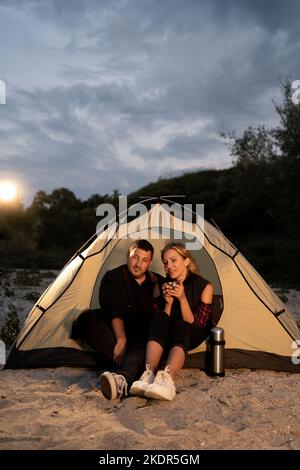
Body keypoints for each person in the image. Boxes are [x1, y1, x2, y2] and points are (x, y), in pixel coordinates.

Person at [72, 239, 163, 400]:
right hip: (114, 332)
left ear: (149, 263)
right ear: (128, 256)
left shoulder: (157, 282)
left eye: (144, 260)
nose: (138, 264)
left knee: (145, 334)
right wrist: (121, 339)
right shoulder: (112, 277)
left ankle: (122, 378)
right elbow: (114, 311)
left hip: (140, 335)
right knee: (87, 318)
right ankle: (135, 364)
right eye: (135, 257)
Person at [130, 242, 214, 401]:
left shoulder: (204, 286)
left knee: (181, 324)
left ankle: (167, 379)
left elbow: (197, 325)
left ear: (186, 261)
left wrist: (182, 299)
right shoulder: (160, 285)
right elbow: (159, 323)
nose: (169, 266)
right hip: (166, 336)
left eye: (174, 260)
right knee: (160, 316)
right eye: (165, 262)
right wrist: (167, 303)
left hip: (190, 335)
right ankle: (149, 374)